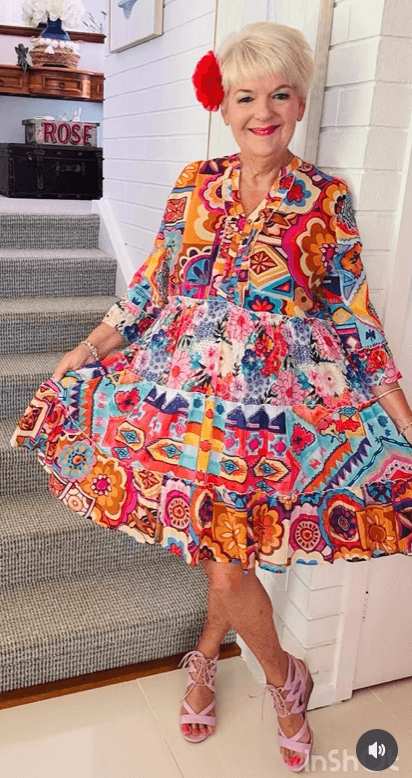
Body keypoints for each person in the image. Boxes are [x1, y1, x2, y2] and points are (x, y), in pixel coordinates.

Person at [10, 20, 412, 773]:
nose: (264, 112)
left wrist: (401, 416)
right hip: (180, 405)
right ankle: (270, 672)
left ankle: (238, 666)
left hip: (272, 412)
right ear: (223, 107)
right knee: (219, 550)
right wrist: (85, 351)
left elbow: (353, 315)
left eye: (281, 95)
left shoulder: (326, 198)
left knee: (227, 555)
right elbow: (152, 289)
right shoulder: (195, 184)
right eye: (246, 97)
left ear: (299, 103)